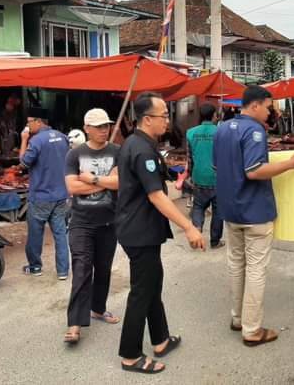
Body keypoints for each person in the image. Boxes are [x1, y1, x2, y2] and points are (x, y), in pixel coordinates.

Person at [214, 86, 294, 346]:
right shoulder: (254, 130)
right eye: (268, 107)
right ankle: (252, 329)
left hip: (230, 209)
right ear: (255, 105)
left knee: (236, 265)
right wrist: (291, 163)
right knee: (256, 269)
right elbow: (254, 171)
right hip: (254, 210)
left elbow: (217, 166)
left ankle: (238, 318)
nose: (270, 112)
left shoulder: (222, 128)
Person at [116, 92, 205, 375]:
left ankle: (160, 339)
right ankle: (130, 355)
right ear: (147, 119)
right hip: (139, 230)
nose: (167, 120)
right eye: (163, 115)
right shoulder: (140, 148)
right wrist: (189, 226)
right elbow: (156, 196)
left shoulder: (140, 143)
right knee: (142, 291)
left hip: (142, 229)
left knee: (153, 284)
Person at [63, 108, 121, 345]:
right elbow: (72, 188)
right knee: (81, 270)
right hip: (81, 223)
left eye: (106, 125)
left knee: (104, 269)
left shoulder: (117, 152)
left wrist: (92, 179)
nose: (104, 130)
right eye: (98, 126)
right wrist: (105, 184)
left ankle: (98, 308)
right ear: (86, 128)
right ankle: (74, 324)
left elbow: (121, 183)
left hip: (109, 222)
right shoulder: (74, 155)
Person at [20, 107, 70, 279]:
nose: (28, 125)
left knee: (35, 233)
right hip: (61, 194)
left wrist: (23, 140)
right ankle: (63, 271)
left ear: (38, 121)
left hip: (41, 195)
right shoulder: (63, 137)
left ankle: (35, 267)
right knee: (60, 233)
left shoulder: (36, 141)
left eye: (29, 122)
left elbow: (23, 164)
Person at [186, 103, 224, 249]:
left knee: (198, 206)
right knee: (218, 211)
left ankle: (196, 234)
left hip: (199, 176)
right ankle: (215, 241)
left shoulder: (190, 132)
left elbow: (190, 159)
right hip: (217, 177)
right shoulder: (221, 132)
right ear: (214, 115)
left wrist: (189, 175)